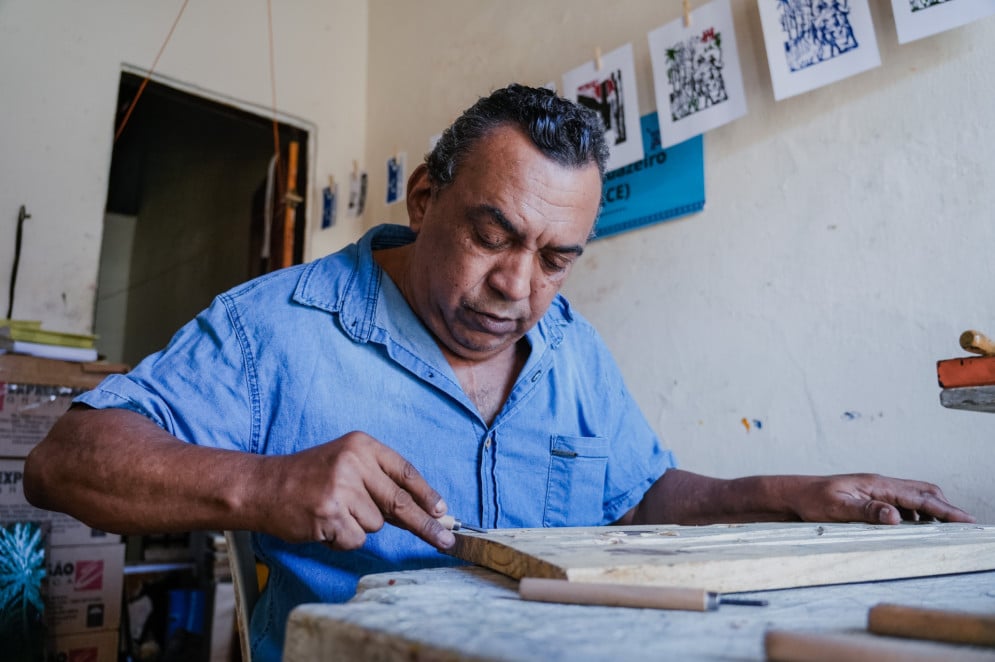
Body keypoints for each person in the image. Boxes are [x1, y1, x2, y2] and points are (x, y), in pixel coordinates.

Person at [24, 84, 973, 662]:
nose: (518, 288)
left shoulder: (571, 349)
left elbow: (637, 494)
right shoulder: (280, 325)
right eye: (493, 236)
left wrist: (788, 492)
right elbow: (66, 460)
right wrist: (263, 482)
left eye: (557, 257)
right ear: (427, 196)